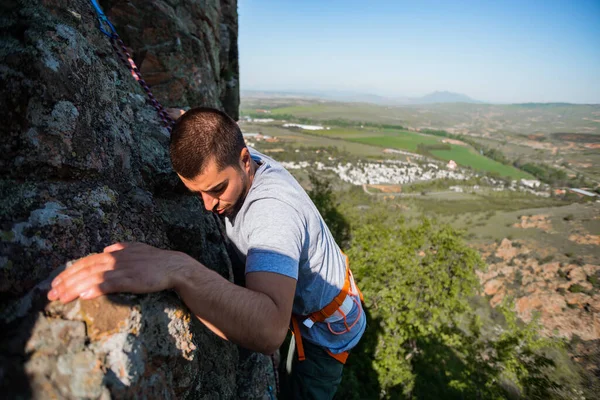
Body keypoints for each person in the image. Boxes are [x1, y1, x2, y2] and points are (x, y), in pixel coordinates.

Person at [47, 107, 366, 399]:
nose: (208, 205)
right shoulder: (228, 153)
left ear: (244, 160)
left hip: (327, 328)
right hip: (303, 303)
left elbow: (269, 331)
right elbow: (211, 133)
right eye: (197, 192)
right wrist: (183, 119)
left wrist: (180, 269)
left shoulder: (272, 216)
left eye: (216, 190)